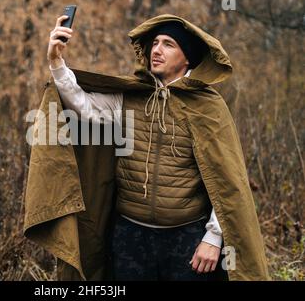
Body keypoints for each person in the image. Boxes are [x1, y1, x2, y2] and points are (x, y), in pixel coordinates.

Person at [47, 15, 224, 280]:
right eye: (154, 43)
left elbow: (227, 179)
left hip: (187, 237)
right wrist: (56, 61)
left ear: (187, 58)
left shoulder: (206, 108)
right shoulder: (129, 97)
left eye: (168, 44)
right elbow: (81, 103)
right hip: (130, 234)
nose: (156, 50)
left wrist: (213, 237)